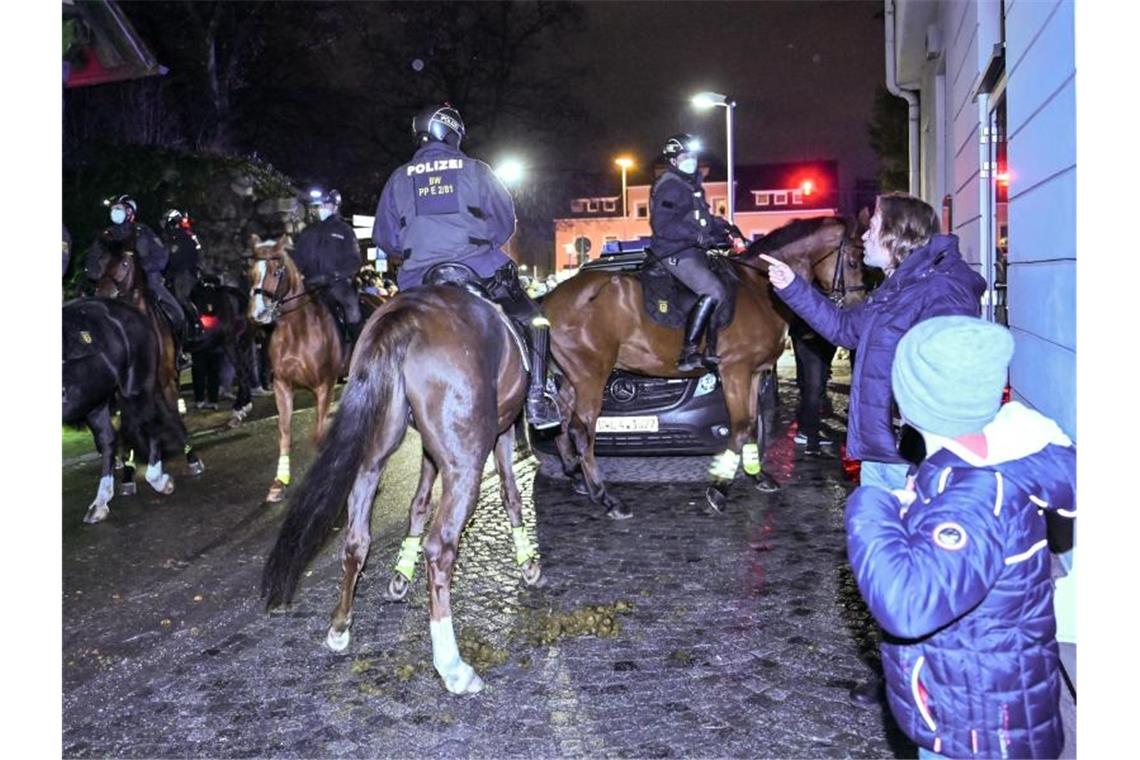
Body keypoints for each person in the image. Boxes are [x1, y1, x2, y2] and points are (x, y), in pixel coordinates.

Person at [762, 192, 986, 706]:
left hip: (913, 457)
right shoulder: (899, 286)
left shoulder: (944, 289)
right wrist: (793, 287)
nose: (862, 236)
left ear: (898, 235)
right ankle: (899, 675)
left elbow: (952, 373)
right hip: (881, 450)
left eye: (872, 227)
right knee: (889, 574)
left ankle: (929, 680)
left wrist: (926, 455)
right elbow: (845, 329)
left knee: (918, 575)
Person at [846, 316, 1074, 759]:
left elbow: (907, 605)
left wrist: (871, 505)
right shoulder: (978, 466)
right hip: (980, 703)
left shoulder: (973, 500)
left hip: (977, 730)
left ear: (911, 400)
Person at [371, 102, 560, 429]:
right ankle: (538, 400)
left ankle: (379, 404)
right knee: (535, 321)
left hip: (419, 278)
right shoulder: (476, 170)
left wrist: (419, 249)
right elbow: (504, 223)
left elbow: (384, 237)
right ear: (452, 132)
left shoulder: (398, 178)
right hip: (478, 268)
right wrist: (481, 241)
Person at [648, 133, 744, 372]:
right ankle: (689, 352)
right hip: (675, 252)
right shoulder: (670, 186)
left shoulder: (690, 186)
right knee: (712, 289)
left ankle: (712, 349)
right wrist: (697, 236)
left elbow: (703, 220)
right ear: (673, 161)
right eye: (684, 156)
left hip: (692, 251)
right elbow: (663, 225)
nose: (690, 160)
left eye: (693, 156)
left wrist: (725, 228)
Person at [87, 194, 190, 369]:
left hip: (147, 281)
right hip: (110, 285)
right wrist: (97, 274)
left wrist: (141, 267)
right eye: (115, 209)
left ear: (130, 213)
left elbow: (161, 256)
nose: (117, 212)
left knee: (177, 313)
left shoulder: (143, 232)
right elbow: (92, 261)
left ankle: (178, 353)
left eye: (121, 209)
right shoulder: (106, 235)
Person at [292, 188, 364, 342]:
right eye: (320, 205)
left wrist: (337, 275)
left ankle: (359, 347)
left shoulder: (344, 230)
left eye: (325, 205)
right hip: (310, 284)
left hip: (336, 283)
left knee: (352, 307)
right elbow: (297, 260)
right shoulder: (307, 232)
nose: (321, 208)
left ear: (335, 206)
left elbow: (355, 260)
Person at [789, 313, 837, 455]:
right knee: (813, 386)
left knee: (814, 383)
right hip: (810, 334)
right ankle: (809, 434)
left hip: (820, 335)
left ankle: (807, 430)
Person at [161, 209, 204, 339]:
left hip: (185, 272)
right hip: (173, 273)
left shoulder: (184, 236)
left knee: (181, 297)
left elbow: (185, 257)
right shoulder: (170, 237)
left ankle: (196, 323)